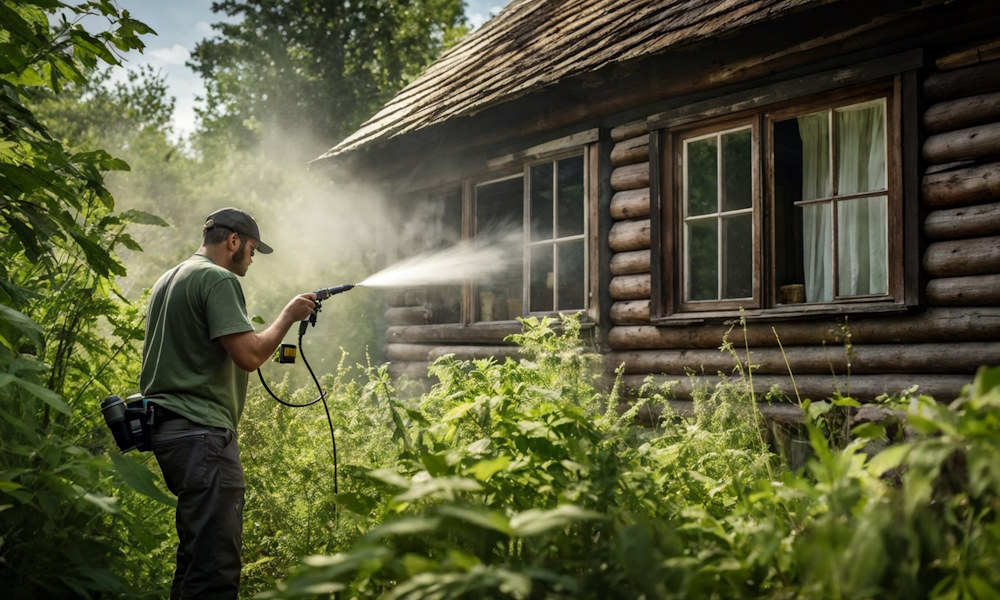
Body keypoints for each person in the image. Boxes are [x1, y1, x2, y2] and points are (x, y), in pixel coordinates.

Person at [140, 207, 317, 599]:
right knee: (215, 571)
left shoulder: (168, 279)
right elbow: (250, 356)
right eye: (252, 249)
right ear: (232, 241)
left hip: (170, 435)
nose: (252, 258)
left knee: (193, 563)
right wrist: (288, 314)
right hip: (203, 438)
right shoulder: (217, 279)